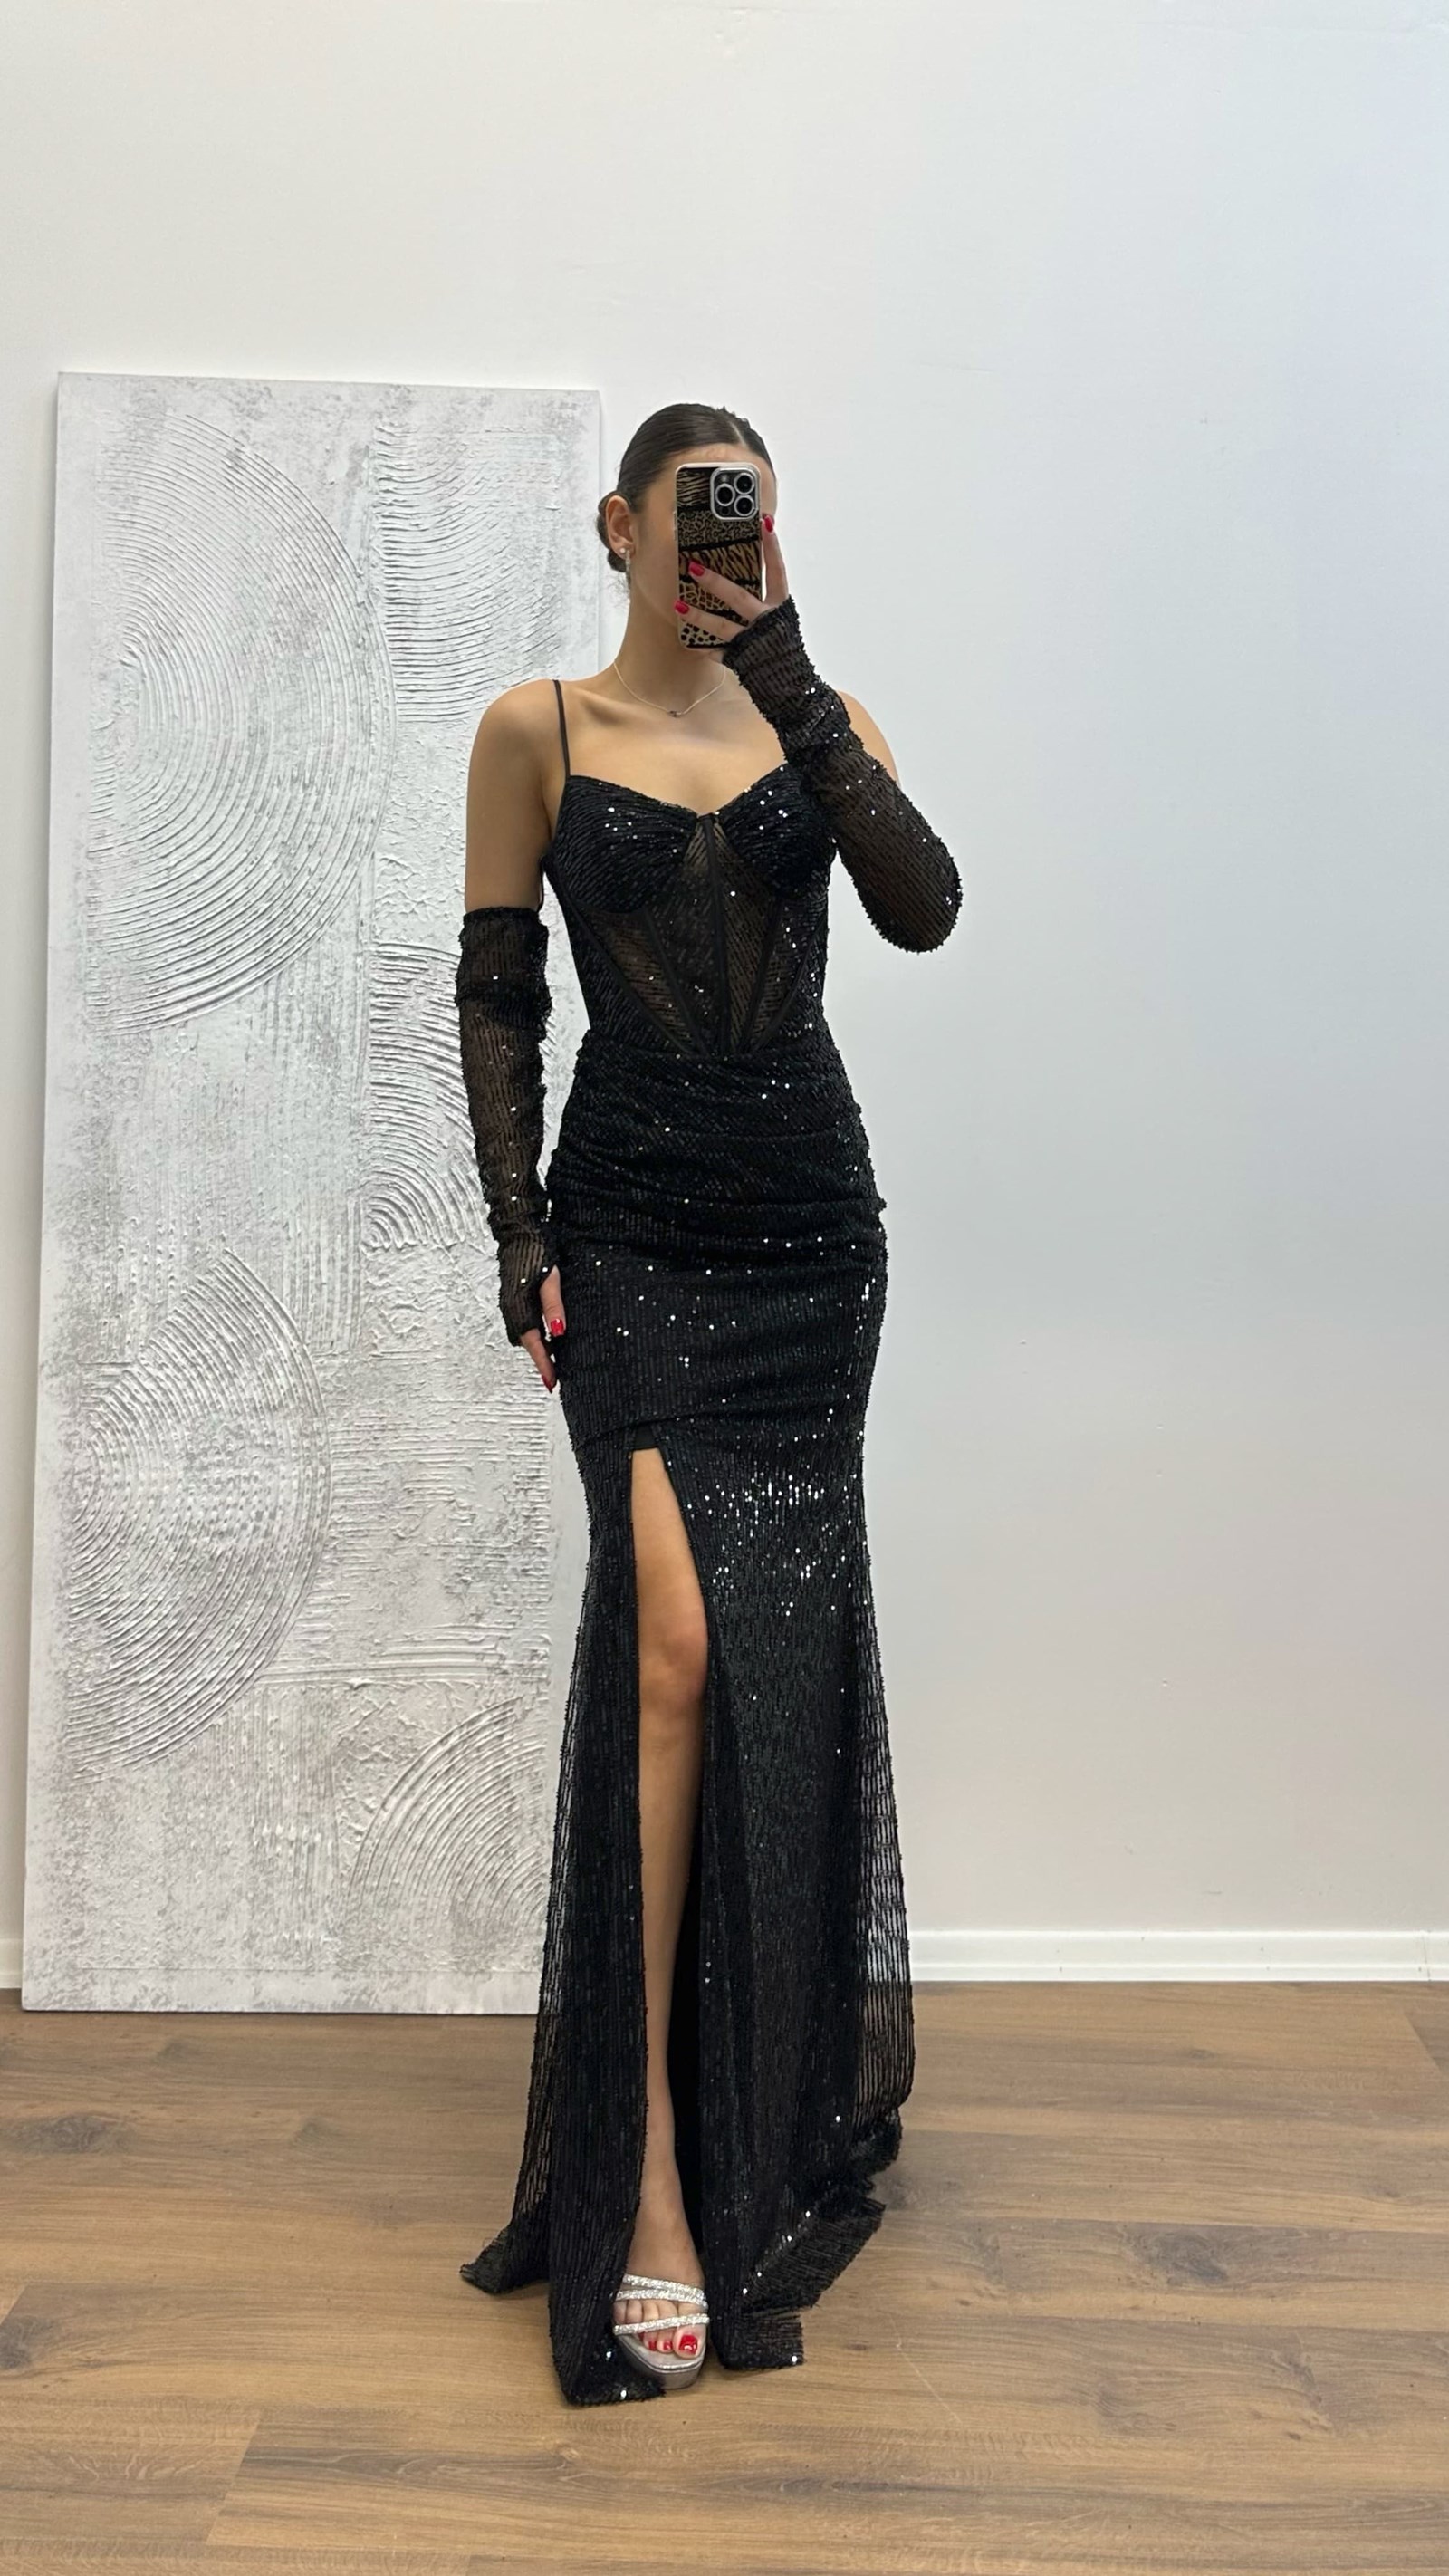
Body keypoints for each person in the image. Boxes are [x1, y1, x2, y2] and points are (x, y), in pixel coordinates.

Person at [455, 401, 963, 2404]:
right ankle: (654, 2164)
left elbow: (921, 906)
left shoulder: (817, 721)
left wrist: (792, 676)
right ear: (619, 524)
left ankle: (764, 2089)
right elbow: (499, 993)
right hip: (632, 1234)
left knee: (768, 1663)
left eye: (749, 513)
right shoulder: (536, 731)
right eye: (692, 513)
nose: (719, 543)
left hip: (807, 1243)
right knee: (668, 1643)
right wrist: (519, 1237)